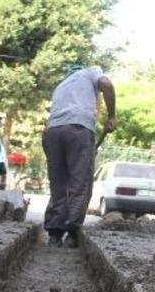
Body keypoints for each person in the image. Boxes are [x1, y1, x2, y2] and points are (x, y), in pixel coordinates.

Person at [44, 66, 117, 248]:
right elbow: (106, 84)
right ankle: (72, 232)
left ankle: (54, 234)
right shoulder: (90, 71)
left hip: (53, 131)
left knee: (58, 183)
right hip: (78, 129)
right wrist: (112, 116)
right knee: (80, 182)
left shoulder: (61, 86)